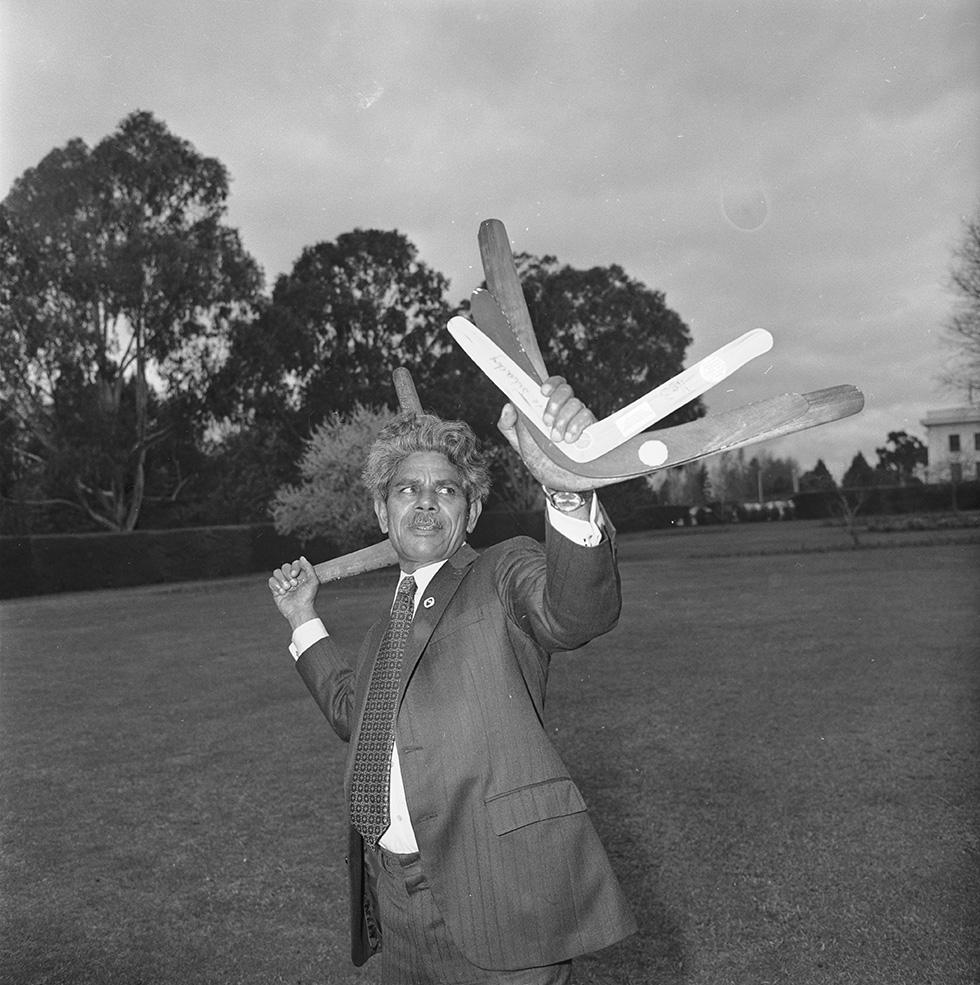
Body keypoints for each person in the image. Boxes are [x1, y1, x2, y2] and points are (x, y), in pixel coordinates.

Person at [268, 378, 636, 984]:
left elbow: (575, 612)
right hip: (395, 897)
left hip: (497, 894)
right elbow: (350, 712)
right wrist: (302, 615)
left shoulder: (502, 572)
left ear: (472, 511)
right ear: (382, 512)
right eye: (406, 489)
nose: (426, 502)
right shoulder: (389, 623)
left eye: (446, 489)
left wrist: (570, 496)